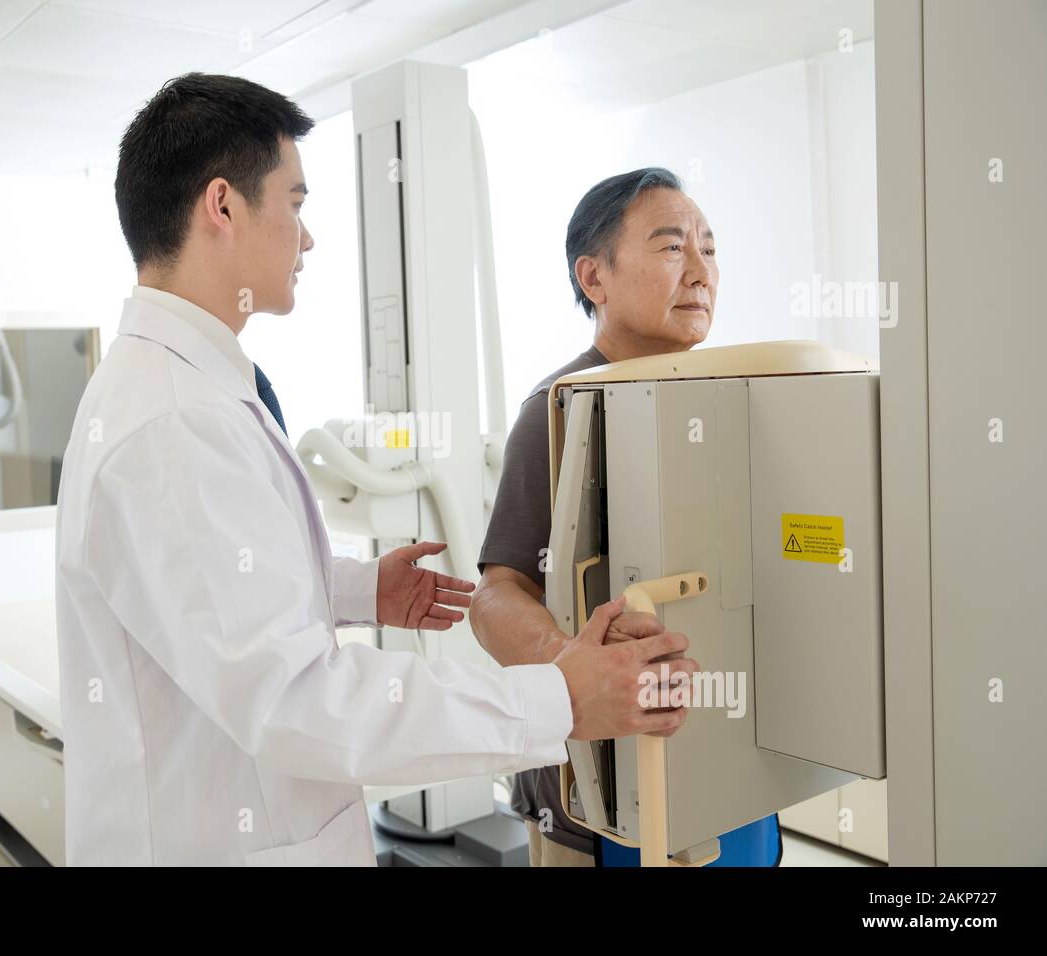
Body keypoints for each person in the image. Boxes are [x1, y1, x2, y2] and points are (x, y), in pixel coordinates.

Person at [54, 76, 699, 866]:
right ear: (222, 207)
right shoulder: (171, 422)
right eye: (294, 203)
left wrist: (352, 591)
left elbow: (216, 596)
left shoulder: (194, 391)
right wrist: (562, 697)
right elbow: (297, 700)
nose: (308, 236)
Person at [471, 167, 781, 867]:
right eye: (672, 248)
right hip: (599, 804)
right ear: (594, 277)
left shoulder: (736, 398)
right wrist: (575, 673)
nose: (701, 271)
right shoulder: (559, 408)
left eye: (709, 247)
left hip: (729, 766)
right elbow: (496, 595)